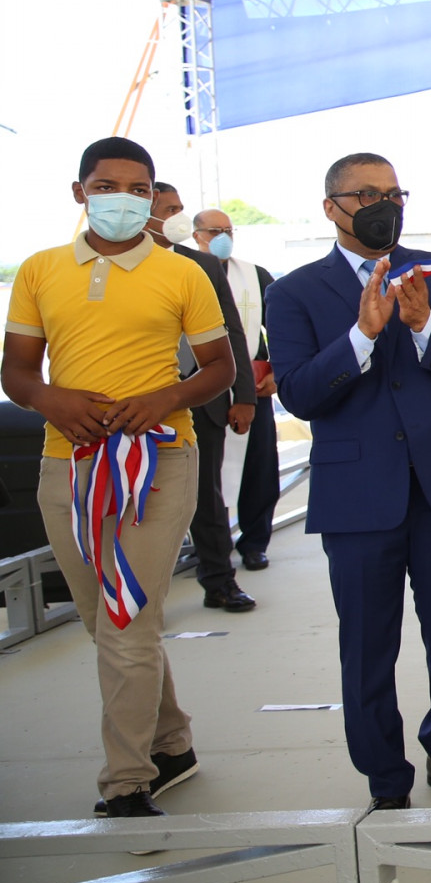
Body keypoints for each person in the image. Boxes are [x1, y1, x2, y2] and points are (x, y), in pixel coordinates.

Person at [2, 137, 236, 819]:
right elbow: (17, 372)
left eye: (139, 189)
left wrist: (166, 398)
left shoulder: (183, 273)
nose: (124, 200)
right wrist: (52, 400)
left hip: (159, 461)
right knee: (104, 622)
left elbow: (219, 368)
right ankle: (173, 743)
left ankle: (127, 780)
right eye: (108, 187)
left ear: (152, 198)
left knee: (126, 620)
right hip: (67, 464)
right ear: (81, 192)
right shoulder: (40, 270)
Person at [266, 153, 431, 811]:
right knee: (368, 643)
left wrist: (424, 325)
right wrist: (363, 336)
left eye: (394, 193)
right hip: (357, 496)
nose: (383, 206)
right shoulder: (293, 293)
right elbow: (299, 394)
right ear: (331, 207)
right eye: (366, 194)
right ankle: (385, 778)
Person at [147, 184, 260, 614]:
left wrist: (244, 395)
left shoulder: (203, 265)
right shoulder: (116, 267)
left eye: (179, 208)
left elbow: (232, 331)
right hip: (136, 399)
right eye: (168, 209)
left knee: (206, 497)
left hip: (203, 397)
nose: (177, 216)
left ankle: (219, 581)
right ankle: (140, 593)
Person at [191, 209, 280, 573]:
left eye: (229, 230)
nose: (223, 237)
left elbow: (282, 329)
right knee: (206, 473)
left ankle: (255, 542)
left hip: (253, 384)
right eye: (215, 230)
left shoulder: (255, 276)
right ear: (196, 235)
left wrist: (278, 372)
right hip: (203, 389)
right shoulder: (186, 272)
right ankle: (211, 547)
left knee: (260, 468)